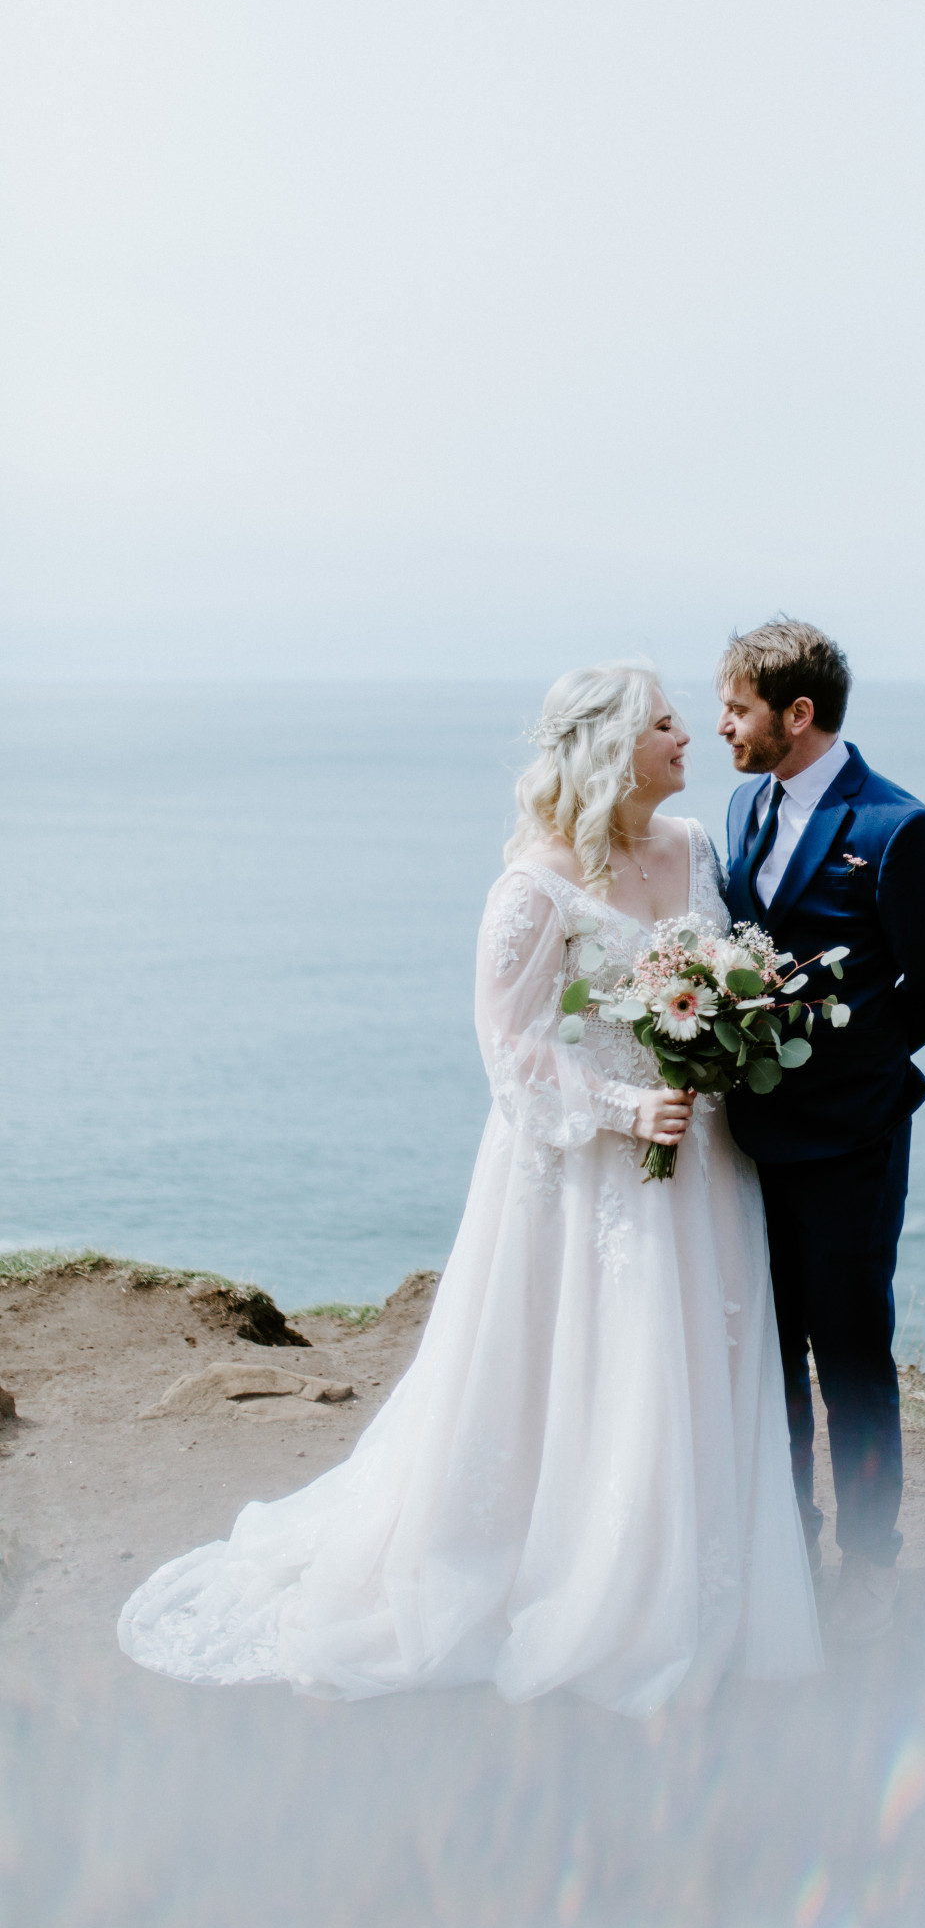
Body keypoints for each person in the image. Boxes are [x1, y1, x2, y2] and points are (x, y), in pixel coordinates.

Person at [119, 664, 822, 1717]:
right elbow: (512, 1047)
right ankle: (565, 1573)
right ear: (612, 747)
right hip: (588, 1165)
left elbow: (698, 982)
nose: (690, 738)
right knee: (587, 1361)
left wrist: (727, 1045)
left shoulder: (695, 850)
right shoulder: (534, 884)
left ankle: (683, 1579)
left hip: (702, 1161)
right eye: (667, 724)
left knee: (686, 1356)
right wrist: (628, 1110)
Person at [719, 620, 925, 1646]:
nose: (723, 728)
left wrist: (847, 1066)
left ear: (798, 714)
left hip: (850, 1146)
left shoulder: (897, 828)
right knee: (767, 1353)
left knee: (851, 1354)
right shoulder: (743, 805)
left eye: (737, 709)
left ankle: (871, 1560)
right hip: (744, 1142)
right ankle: (787, 1541)